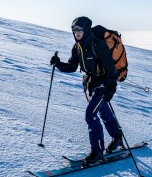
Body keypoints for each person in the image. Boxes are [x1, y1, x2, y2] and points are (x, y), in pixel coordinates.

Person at [50, 16, 123, 164]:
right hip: (92, 84)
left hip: (103, 85)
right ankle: (117, 137)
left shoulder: (98, 45)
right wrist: (58, 64)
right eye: (74, 30)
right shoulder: (77, 47)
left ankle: (97, 151)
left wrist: (111, 88)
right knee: (102, 111)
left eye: (80, 30)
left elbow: (110, 68)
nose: (77, 33)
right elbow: (72, 66)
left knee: (90, 115)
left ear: (86, 30)